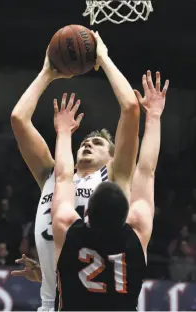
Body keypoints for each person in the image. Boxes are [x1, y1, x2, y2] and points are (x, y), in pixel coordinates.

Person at [11, 31, 140, 311]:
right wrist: (47, 72)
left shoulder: (114, 180)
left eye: (97, 143)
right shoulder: (53, 175)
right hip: (50, 303)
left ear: (113, 158)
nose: (88, 144)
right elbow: (18, 119)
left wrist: (103, 58)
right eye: (84, 141)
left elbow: (130, 108)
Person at [51, 71, 169, 311]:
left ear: (86, 213)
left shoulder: (67, 226)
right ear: (127, 213)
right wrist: (155, 116)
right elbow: (147, 171)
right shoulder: (137, 230)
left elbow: (62, 177)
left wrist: (63, 133)